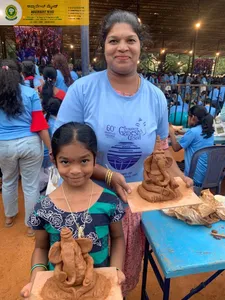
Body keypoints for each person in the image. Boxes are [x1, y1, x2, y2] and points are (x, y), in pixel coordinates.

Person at [53, 10, 192, 296]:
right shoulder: (83, 91)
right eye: (113, 40)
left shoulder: (155, 96)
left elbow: (161, 149)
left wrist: (181, 178)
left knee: (120, 277)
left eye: (130, 40)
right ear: (103, 47)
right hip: (88, 201)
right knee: (85, 272)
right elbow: (62, 149)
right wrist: (108, 174)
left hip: (134, 204)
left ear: (141, 46)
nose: (122, 47)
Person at [20, 122, 125, 298]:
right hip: (60, 287)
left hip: (99, 287)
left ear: (94, 158)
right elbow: (40, 247)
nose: (75, 170)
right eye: (65, 162)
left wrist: (115, 271)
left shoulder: (110, 201)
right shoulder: (44, 207)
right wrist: (35, 278)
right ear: (54, 160)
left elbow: (118, 237)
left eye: (84, 161)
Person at [0, 59, 51, 236]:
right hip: (30, 144)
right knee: (31, 186)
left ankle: (9, 217)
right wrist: (50, 147)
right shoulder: (30, 93)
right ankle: (31, 226)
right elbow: (39, 124)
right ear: (20, 74)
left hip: (3, 145)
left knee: (8, 180)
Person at [169, 105, 214, 186]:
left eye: (188, 116)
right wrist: (182, 133)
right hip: (206, 176)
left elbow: (175, 148)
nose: (187, 119)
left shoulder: (193, 132)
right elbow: (197, 134)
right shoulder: (210, 131)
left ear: (193, 117)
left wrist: (171, 132)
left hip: (192, 177)